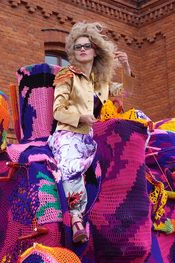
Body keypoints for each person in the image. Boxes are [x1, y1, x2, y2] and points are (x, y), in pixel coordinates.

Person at [48, 21, 133, 243]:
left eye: (87, 46)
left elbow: (120, 96)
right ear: (73, 53)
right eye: (78, 47)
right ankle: (76, 217)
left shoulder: (101, 81)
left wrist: (126, 68)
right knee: (72, 164)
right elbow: (57, 111)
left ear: (96, 50)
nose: (83, 49)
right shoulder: (67, 75)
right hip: (69, 134)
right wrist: (80, 118)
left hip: (95, 136)